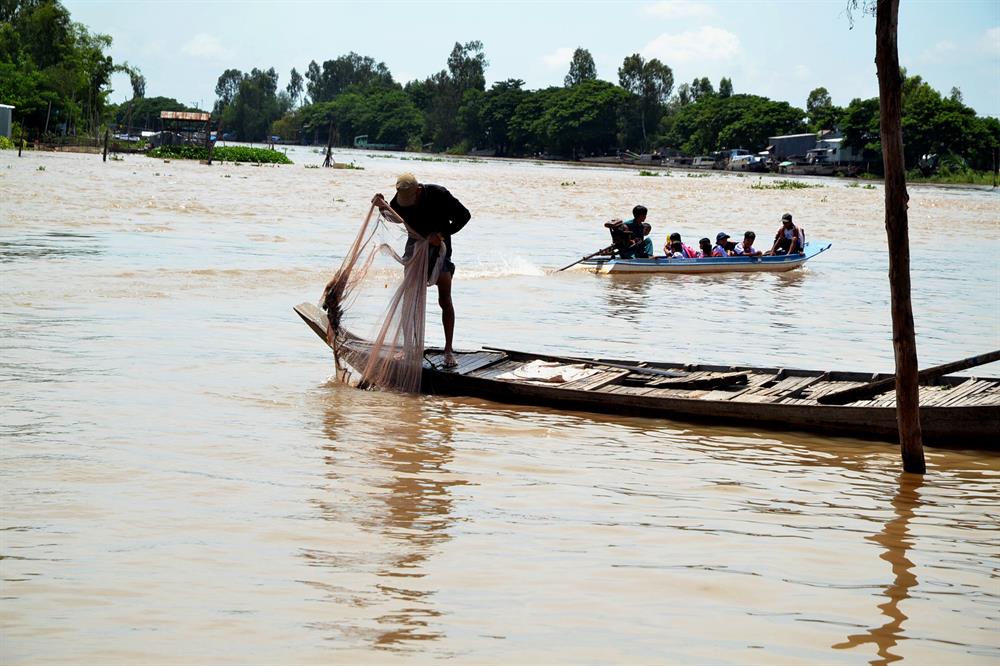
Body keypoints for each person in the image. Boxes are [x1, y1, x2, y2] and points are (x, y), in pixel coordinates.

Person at [372, 172, 470, 368]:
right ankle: (408, 348)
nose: (407, 202)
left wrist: (441, 234)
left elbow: (464, 216)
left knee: (445, 299)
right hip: (415, 249)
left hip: (440, 251)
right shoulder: (401, 199)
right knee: (409, 302)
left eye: (410, 199)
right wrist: (382, 207)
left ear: (418, 190)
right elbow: (395, 218)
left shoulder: (439, 194)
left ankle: (448, 350)